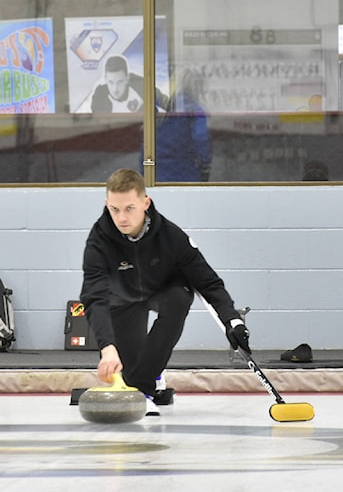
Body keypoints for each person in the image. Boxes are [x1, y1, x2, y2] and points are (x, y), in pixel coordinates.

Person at [79, 168, 250, 415]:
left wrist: (232, 320)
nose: (122, 218)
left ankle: (143, 391)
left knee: (179, 298)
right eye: (114, 209)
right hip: (123, 299)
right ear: (107, 205)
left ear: (145, 202)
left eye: (129, 208)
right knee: (129, 364)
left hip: (164, 291)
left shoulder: (172, 237)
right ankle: (152, 369)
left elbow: (209, 283)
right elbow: (94, 297)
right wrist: (107, 348)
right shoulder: (98, 242)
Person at [156, 70, 212, 182]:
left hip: (159, 170)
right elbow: (200, 137)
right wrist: (206, 163)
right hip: (185, 170)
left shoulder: (170, 106)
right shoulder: (196, 111)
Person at [90, 54, 168, 113]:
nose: (115, 89)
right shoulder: (99, 96)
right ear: (105, 79)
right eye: (110, 82)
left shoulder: (140, 85)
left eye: (119, 82)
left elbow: (167, 104)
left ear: (127, 79)